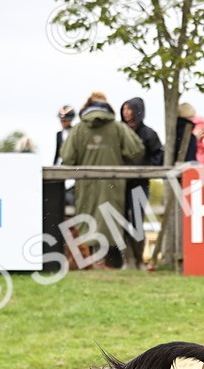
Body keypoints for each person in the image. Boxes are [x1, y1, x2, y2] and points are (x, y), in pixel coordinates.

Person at [61, 92, 145, 269]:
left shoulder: (78, 129)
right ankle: (107, 262)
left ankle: (90, 262)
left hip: (85, 186)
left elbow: (67, 157)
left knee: (87, 219)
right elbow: (136, 150)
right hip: (113, 185)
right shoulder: (117, 128)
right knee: (110, 221)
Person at [120, 97, 164, 268]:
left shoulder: (148, 134)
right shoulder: (119, 131)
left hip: (139, 184)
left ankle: (139, 258)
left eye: (129, 109)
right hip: (121, 184)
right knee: (121, 219)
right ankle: (126, 259)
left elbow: (158, 155)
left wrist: (146, 168)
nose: (125, 112)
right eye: (123, 109)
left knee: (137, 220)